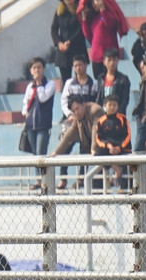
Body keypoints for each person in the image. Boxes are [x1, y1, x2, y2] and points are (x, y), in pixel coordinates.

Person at [58, 56, 98, 188]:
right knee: (65, 147)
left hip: (86, 122)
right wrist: (70, 114)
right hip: (72, 121)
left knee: (84, 150)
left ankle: (82, 179)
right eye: (75, 66)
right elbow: (64, 101)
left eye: (80, 65)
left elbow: (96, 102)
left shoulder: (94, 84)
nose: (78, 68)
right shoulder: (69, 83)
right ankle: (63, 178)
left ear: (86, 65)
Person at [51, 95, 107, 182]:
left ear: (84, 104)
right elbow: (69, 135)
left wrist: (93, 149)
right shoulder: (77, 117)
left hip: (107, 145)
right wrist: (56, 152)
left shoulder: (95, 111)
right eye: (73, 111)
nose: (76, 112)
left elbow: (96, 130)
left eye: (77, 108)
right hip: (93, 148)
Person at [22, 57, 57, 189]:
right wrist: (25, 112)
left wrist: (39, 84)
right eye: (34, 68)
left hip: (43, 123)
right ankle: (38, 179)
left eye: (39, 67)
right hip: (31, 124)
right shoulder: (29, 87)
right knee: (34, 153)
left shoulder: (49, 84)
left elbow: (43, 98)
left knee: (41, 151)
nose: (37, 70)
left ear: (44, 69)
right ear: (31, 70)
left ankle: (44, 179)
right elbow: (26, 102)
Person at [78, 0, 128, 80]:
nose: (95, 4)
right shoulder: (93, 17)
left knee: (110, 79)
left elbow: (110, 23)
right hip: (96, 55)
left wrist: (102, 8)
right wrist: (84, 19)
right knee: (98, 80)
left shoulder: (110, 14)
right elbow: (88, 35)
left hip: (109, 55)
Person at [92, 90, 131, 186]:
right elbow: (98, 138)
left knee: (128, 163)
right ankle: (116, 169)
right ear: (105, 106)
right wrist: (108, 146)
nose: (112, 107)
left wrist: (119, 148)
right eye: (110, 105)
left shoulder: (123, 119)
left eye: (115, 105)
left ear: (118, 106)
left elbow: (128, 136)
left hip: (121, 148)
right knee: (98, 154)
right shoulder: (101, 121)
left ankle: (124, 188)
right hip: (107, 148)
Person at [51, 0, 88, 83]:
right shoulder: (59, 11)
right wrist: (59, 43)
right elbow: (54, 29)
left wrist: (70, 41)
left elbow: (81, 29)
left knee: (80, 78)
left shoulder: (79, 10)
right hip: (63, 50)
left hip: (77, 48)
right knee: (65, 81)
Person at [95, 47, 131, 115]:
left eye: (114, 60)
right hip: (103, 114)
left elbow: (125, 100)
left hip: (118, 114)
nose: (112, 63)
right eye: (109, 60)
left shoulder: (123, 79)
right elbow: (99, 97)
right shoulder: (101, 78)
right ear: (104, 62)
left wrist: (119, 113)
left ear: (118, 61)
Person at [131, 60, 146, 151]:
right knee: (137, 150)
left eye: (144, 68)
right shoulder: (143, 82)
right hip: (143, 119)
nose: (143, 71)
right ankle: (133, 166)